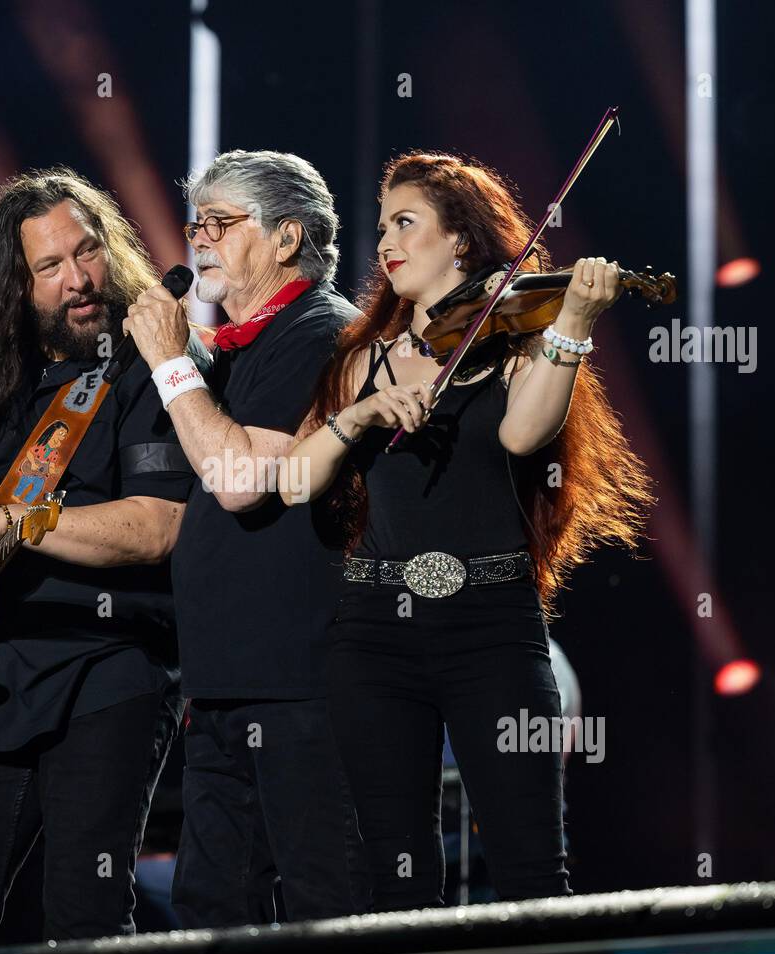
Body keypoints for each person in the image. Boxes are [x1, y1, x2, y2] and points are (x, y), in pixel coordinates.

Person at [279, 151, 654, 910]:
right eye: (382, 225)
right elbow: (293, 479)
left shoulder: (517, 345)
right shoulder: (363, 362)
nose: (386, 240)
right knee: (399, 878)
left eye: (406, 223)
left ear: (460, 241)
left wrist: (573, 323)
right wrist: (359, 416)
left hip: (492, 627)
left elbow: (523, 436)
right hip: (376, 631)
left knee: (531, 872)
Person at [0, 168, 196, 948]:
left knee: (84, 916)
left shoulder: (143, 358)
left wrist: (15, 520)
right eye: (51, 268)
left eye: (87, 253)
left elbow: (157, 526)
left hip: (109, 665)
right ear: (16, 283)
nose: (80, 280)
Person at [123, 150, 370, 926]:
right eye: (195, 224)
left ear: (287, 236)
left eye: (221, 224)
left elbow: (238, 479)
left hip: (303, 684)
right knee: (211, 910)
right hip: (224, 682)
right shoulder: (234, 351)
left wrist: (170, 361)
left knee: (324, 901)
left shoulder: (320, 329)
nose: (199, 241)